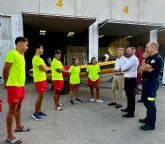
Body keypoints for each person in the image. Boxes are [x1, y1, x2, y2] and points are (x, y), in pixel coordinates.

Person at [2, 37, 30, 144]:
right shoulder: (12, 53)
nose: (27, 47)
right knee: (12, 110)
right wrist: (5, 82)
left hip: (21, 86)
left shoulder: (21, 57)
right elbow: (5, 71)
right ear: (20, 43)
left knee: (18, 107)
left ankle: (18, 126)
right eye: (26, 45)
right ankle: (9, 136)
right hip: (13, 86)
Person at [138, 42, 163, 130]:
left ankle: (151, 124)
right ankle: (148, 118)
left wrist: (144, 59)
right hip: (146, 83)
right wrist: (145, 67)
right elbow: (142, 69)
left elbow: (143, 68)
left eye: (147, 47)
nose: (146, 49)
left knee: (150, 103)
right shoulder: (150, 58)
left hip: (152, 84)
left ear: (153, 47)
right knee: (145, 101)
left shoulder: (157, 58)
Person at [120, 47, 139, 118]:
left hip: (131, 80)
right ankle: (128, 108)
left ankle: (131, 113)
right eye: (127, 51)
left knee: (131, 97)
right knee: (128, 95)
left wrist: (123, 69)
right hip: (127, 79)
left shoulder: (134, 59)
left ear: (133, 51)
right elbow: (124, 67)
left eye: (128, 51)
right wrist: (124, 68)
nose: (127, 52)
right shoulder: (129, 59)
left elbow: (124, 68)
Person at [32, 44, 48, 120]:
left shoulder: (40, 59)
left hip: (42, 80)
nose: (43, 50)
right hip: (39, 80)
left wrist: (45, 67)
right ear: (37, 49)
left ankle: (39, 111)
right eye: (42, 48)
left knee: (42, 97)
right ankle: (35, 113)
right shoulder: (36, 58)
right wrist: (45, 67)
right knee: (40, 96)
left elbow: (46, 68)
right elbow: (44, 69)